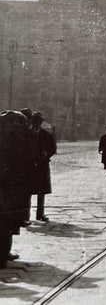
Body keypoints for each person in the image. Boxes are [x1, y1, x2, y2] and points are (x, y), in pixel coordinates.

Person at [0, 111, 35, 267]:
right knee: (7, 221)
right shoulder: (18, 140)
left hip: (9, 185)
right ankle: (3, 254)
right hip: (11, 188)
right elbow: (29, 158)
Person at [30, 112, 56, 222]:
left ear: (41, 123)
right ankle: (25, 216)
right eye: (34, 122)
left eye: (38, 122)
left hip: (42, 166)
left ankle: (40, 214)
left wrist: (47, 154)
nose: (35, 124)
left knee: (41, 191)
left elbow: (53, 149)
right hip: (29, 166)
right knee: (27, 192)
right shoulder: (27, 134)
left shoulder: (46, 135)